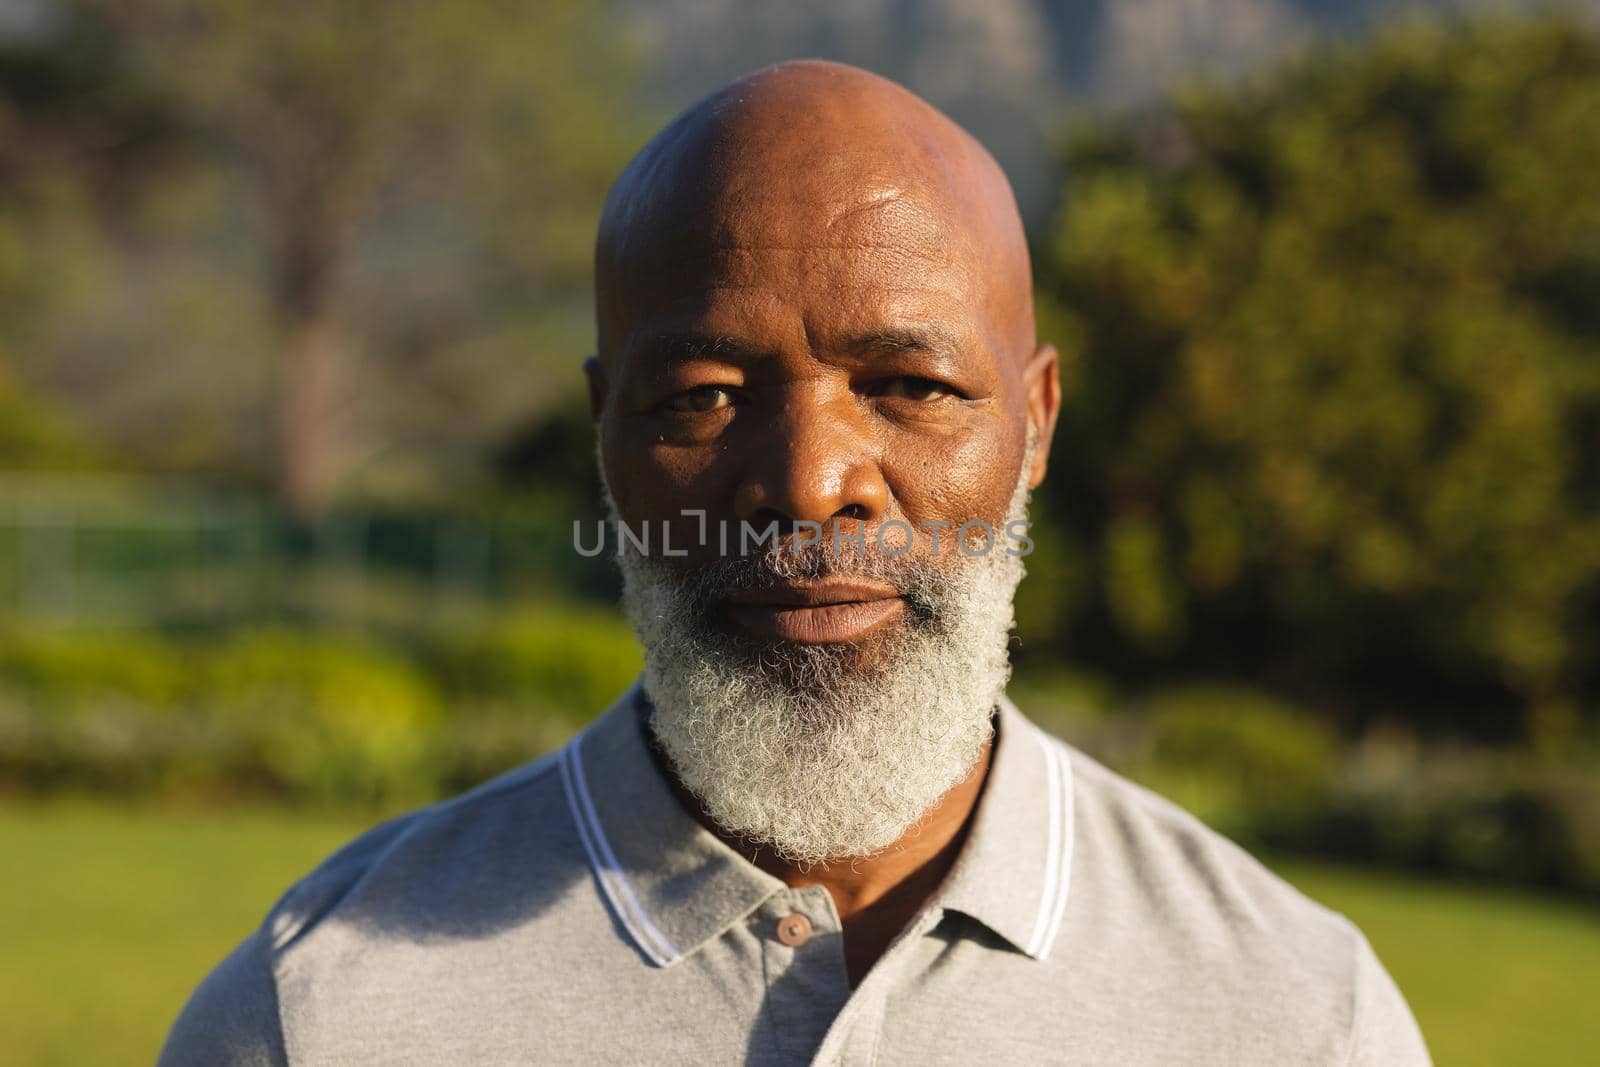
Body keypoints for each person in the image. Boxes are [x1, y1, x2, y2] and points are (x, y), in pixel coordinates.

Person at [159, 60, 1431, 1066]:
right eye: (704, 397)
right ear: (605, 435)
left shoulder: (1294, 1014)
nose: (811, 481)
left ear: (1034, 425)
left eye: (910, 385)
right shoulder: (319, 1015)